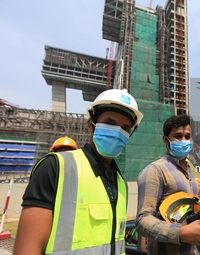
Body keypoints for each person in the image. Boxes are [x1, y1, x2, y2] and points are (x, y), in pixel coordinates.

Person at [13, 88, 143, 255]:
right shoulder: (55, 168)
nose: (118, 132)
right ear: (91, 124)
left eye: (125, 128)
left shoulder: (121, 181)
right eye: (110, 123)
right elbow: (27, 250)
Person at [136, 114, 200, 255]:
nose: (183, 140)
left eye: (187, 136)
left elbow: (196, 216)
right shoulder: (155, 171)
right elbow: (143, 221)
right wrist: (180, 233)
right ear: (165, 140)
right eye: (178, 136)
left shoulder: (190, 173)